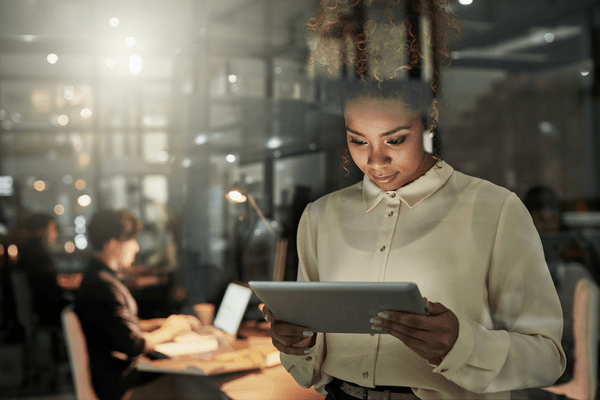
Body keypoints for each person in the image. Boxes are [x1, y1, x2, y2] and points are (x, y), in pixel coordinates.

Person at [260, 1, 566, 399]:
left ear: (431, 117)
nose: (375, 160)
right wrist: (296, 342)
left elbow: (547, 357)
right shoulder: (321, 216)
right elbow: (308, 362)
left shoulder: (494, 210)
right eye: (358, 141)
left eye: (395, 139)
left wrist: (463, 344)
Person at [74, 209, 218, 400]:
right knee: (193, 384)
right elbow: (134, 344)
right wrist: (169, 330)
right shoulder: (102, 286)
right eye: (131, 240)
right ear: (112, 245)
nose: (136, 247)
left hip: (114, 377)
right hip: (119, 387)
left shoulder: (99, 278)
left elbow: (117, 327)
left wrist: (162, 323)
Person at [16, 213, 68, 327]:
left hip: (40, 305)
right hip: (48, 308)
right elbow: (52, 284)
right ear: (41, 231)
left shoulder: (29, 249)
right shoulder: (37, 253)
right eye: (53, 228)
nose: (55, 233)